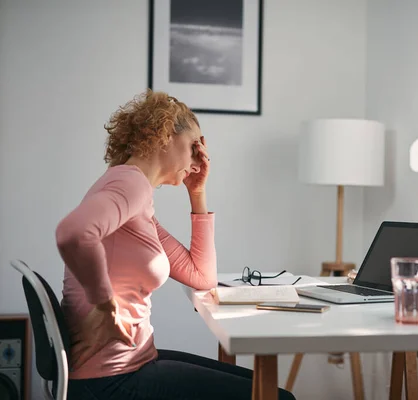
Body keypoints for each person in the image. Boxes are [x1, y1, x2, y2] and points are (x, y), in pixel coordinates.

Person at [55, 90, 296, 400]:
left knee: (269, 392)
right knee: (279, 398)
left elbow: (201, 277)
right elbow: (73, 232)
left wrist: (197, 192)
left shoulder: (134, 194)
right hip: (111, 382)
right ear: (166, 135)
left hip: (129, 365)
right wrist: (105, 306)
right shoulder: (130, 184)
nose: (200, 160)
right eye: (194, 146)